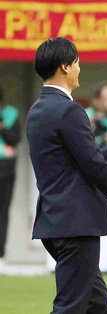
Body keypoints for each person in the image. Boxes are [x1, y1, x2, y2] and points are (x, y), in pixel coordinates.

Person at [26, 37, 107, 313]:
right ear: (65, 67)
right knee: (71, 307)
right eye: (77, 62)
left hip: (55, 221)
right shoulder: (70, 110)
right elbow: (93, 167)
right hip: (76, 225)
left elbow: (76, 163)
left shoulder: (37, 110)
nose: (80, 68)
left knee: (99, 307)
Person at [0, 86, 20, 269]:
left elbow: (15, 139)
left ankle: (1, 254)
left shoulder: (11, 114)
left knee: (3, 211)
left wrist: (3, 127)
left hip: (5, 167)